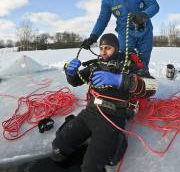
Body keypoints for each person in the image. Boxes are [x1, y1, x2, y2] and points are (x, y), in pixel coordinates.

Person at [51, 33, 157, 172]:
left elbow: (152, 86)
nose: (103, 52)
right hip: (90, 112)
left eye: (108, 48)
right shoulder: (96, 65)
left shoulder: (128, 66)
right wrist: (70, 72)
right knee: (57, 149)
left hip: (113, 118)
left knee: (90, 168)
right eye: (101, 48)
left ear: (117, 48)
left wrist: (120, 80)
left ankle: (115, 143)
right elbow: (75, 81)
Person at [81, 0, 159, 69]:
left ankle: (142, 81)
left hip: (144, 30)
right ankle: (125, 82)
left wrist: (143, 15)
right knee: (124, 63)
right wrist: (93, 36)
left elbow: (154, 6)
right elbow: (102, 20)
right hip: (125, 33)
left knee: (143, 63)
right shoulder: (107, 0)